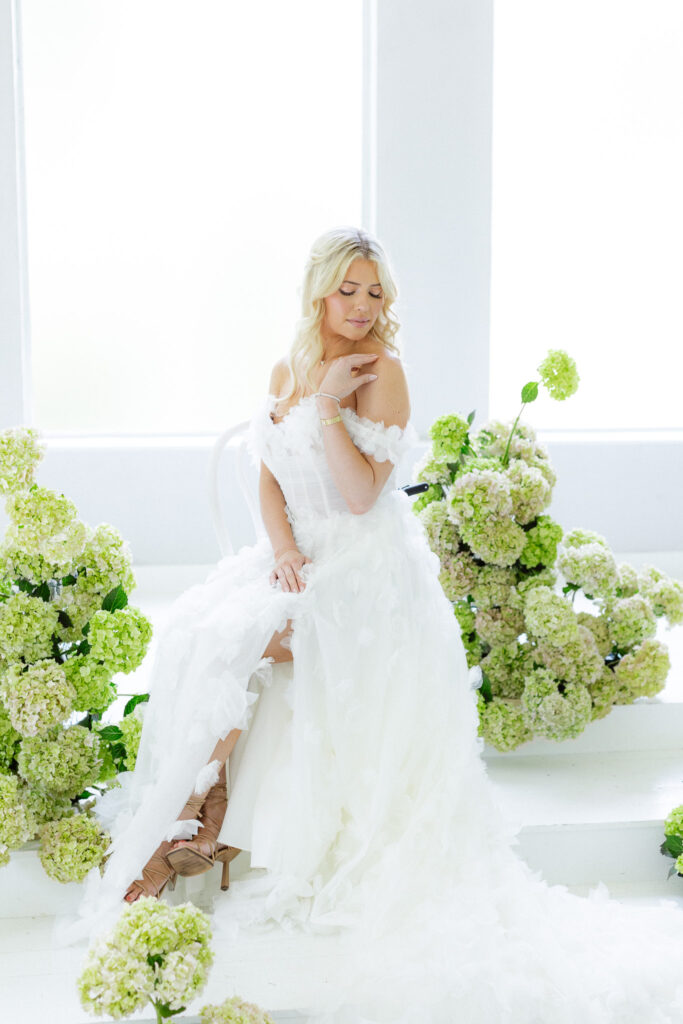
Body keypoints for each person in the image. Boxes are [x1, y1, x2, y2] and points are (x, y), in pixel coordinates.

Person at [69, 227, 683, 1022]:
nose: (361, 307)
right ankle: (198, 820)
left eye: (375, 293)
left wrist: (329, 405)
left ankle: (195, 828)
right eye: (347, 290)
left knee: (244, 640)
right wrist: (283, 549)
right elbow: (265, 472)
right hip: (299, 556)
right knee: (197, 630)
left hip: (364, 570)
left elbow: (360, 498)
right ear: (319, 290)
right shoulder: (283, 365)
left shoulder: (381, 374)